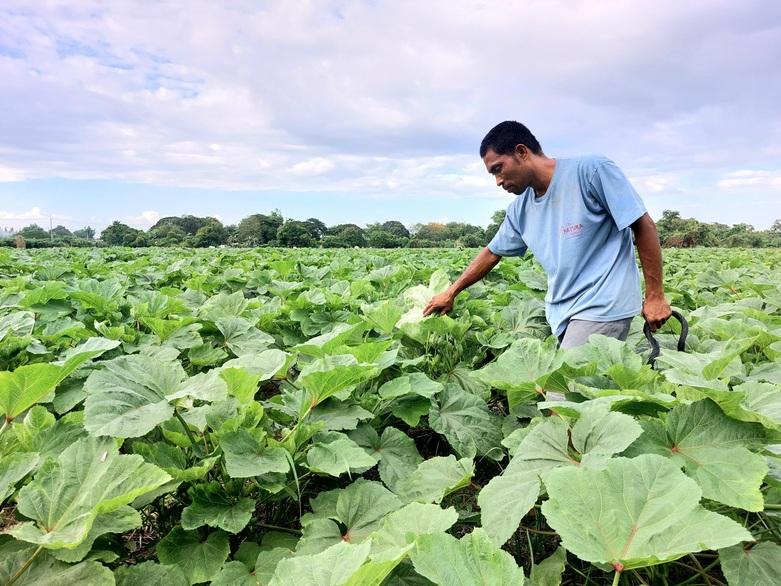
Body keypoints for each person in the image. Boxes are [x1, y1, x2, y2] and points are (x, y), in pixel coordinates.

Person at [423, 121, 672, 349]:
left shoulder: (591, 172)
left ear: (522, 152)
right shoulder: (520, 209)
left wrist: (655, 296)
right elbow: (491, 253)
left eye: (498, 169)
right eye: (493, 174)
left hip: (602, 306)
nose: (498, 181)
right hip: (563, 313)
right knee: (584, 392)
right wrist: (450, 292)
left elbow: (643, 224)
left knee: (560, 394)